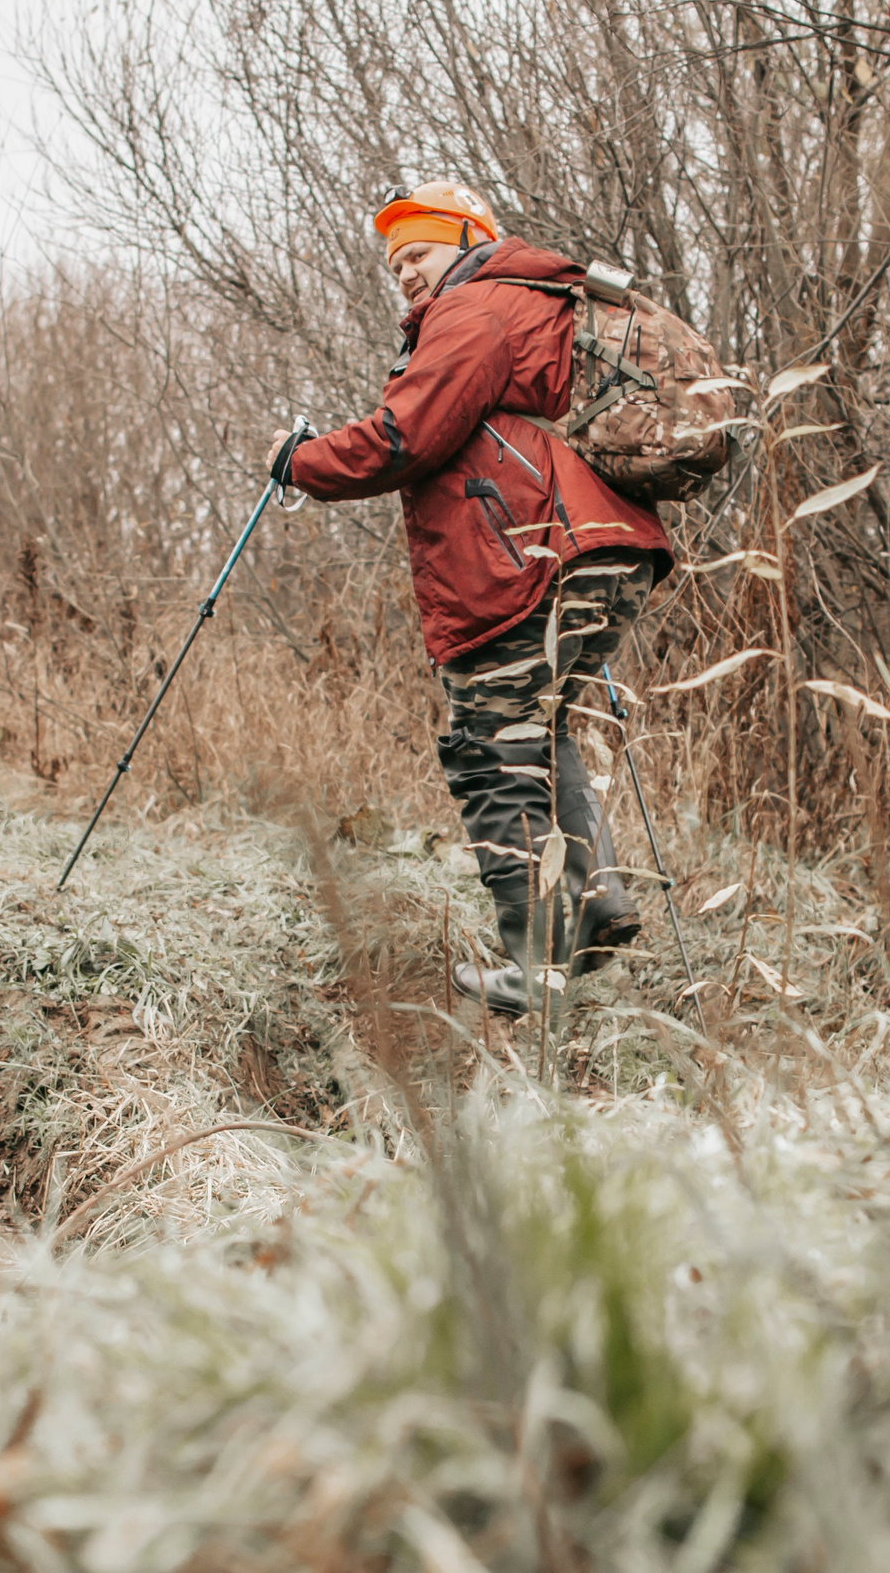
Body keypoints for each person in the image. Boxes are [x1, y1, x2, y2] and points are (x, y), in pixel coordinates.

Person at [267, 182, 675, 1015]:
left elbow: (402, 437)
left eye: (416, 254)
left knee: (491, 748)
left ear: (466, 237)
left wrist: (297, 461)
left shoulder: (477, 308)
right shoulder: (531, 303)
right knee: (533, 727)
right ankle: (595, 906)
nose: (407, 275)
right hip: (603, 547)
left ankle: (535, 967)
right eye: (395, 266)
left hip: (536, 558)